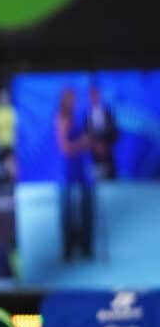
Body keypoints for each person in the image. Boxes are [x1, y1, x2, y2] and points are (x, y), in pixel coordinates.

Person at [54, 86, 95, 262]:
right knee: (67, 210)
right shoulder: (61, 118)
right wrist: (83, 142)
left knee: (87, 206)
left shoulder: (79, 117)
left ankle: (86, 247)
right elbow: (65, 148)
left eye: (75, 99)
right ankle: (68, 249)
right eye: (72, 99)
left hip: (82, 167)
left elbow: (87, 139)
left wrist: (88, 142)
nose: (75, 102)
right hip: (68, 169)